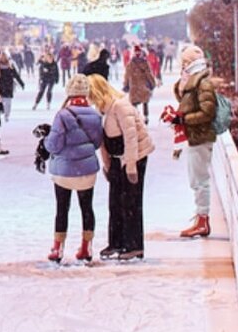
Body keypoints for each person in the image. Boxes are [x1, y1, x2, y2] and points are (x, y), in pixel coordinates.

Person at [89, 76, 154, 261]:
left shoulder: (120, 106)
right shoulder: (104, 110)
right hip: (118, 159)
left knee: (131, 202)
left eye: (92, 96)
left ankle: (134, 245)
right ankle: (116, 241)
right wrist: (108, 166)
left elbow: (131, 137)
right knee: (115, 201)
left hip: (135, 157)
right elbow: (104, 141)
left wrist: (131, 165)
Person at [44, 74, 104, 263]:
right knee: (87, 208)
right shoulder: (95, 115)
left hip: (64, 171)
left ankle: (57, 247)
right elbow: (96, 143)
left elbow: (53, 145)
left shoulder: (62, 115)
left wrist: (45, 141)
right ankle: (86, 247)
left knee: (62, 208)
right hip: (87, 170)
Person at [173, 45, 218, 239]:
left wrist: (185, 120)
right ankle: (201, 218)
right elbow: (187, 101)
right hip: (195, 136)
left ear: (188, 63)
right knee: (196, 179)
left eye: (183, 63)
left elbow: (208, 112)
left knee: (199, 180)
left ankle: (202, 221)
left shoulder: (203, 83)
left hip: (200, 136)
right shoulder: (195, 80)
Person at [124, 45, 156, 120]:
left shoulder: (130, 64)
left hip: (134, 87)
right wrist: (152, 83)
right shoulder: (144, 63)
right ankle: (146, 117)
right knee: (145, 102)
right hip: (143, 86)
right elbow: (149, 74)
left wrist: (126, 85)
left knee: (134, 103)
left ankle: (136, 117)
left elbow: (127, 76)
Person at [0, 53, 25, 122]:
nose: (3, 59)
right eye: (2, 57)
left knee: (8, 103)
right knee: (1, 102)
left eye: (4, 57)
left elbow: (16, 75)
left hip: (8, 86)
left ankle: (6, 115)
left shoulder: (10, 66)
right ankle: (1, 113)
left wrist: (21, 83)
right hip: (0, 87)